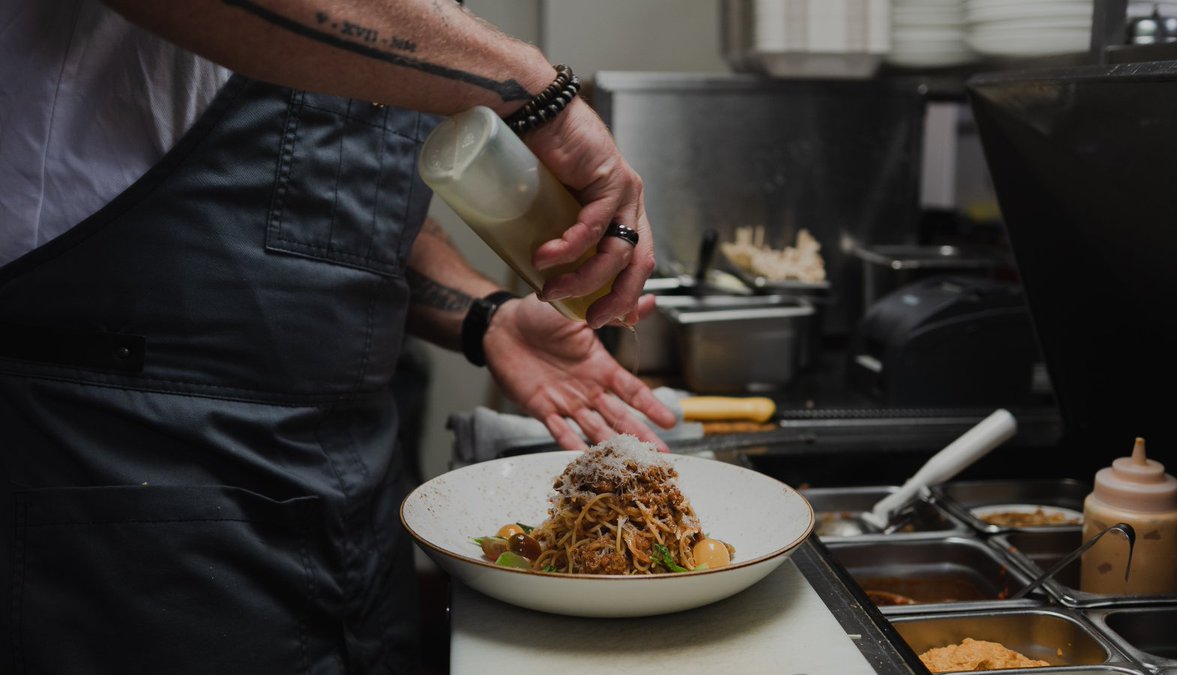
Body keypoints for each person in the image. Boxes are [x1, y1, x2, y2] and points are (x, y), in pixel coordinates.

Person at [0, 1, 675, 672]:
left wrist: (485, 314)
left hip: (351, 503)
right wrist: (532, 88)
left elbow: (319, 204)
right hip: (128, 491)